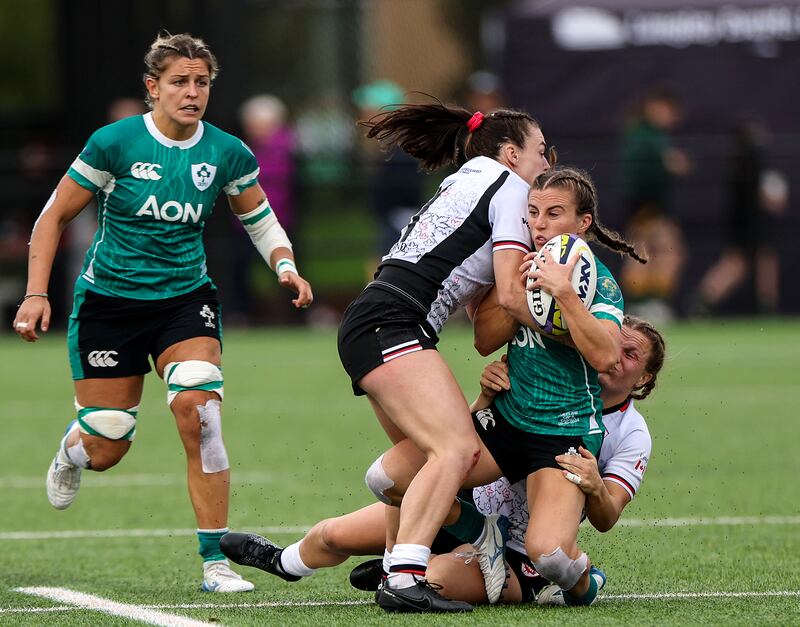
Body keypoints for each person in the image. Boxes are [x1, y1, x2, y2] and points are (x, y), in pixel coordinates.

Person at [12, 33, 312, 593]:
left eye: (201, 82)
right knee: (108, 442)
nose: (192, 92)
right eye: (179, 81)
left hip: (184, 302)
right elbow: (52, 218)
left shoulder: (227, 151)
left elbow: (260, 218)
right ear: (153, 88)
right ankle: (73, 450)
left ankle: (214, 562)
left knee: (202, 412)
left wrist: (285, 266)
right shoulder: (114, 143)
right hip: (109, 306)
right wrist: (36, 293)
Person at [218, 315, 666, 607]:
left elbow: (607, 518)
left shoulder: (631, 432)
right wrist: (485, 397)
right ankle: (284, 562)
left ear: (644, 378)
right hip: (461, 507)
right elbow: (462, 444)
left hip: (514, 553)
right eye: (614, 344)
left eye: (631, 356)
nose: (615, 359)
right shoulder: (545, 380)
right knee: (336, 531)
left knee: (427, 581)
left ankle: (575, 582)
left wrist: (595, 486)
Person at [359, 166, 645, 607]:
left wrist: (562, 295)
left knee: (548, 555)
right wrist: (519, 291)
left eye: (554, 213)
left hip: (563, 432)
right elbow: (484, 340)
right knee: (386, 479)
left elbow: (607, 356)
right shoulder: (517, 266)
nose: (540, 224)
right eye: (533, 213)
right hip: (506, 420)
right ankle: (480, 532)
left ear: (583, 223)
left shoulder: (599, 281)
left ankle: (585, 582)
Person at [618, 87, 689, 323]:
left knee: (649, 253)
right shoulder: (646, 137)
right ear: (654, 107)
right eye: (667, 110)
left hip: (649, 207)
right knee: (656, 254)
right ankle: (649, 305)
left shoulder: (644, 135)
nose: (671, 116)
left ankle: (646, 305)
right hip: (647, 208)